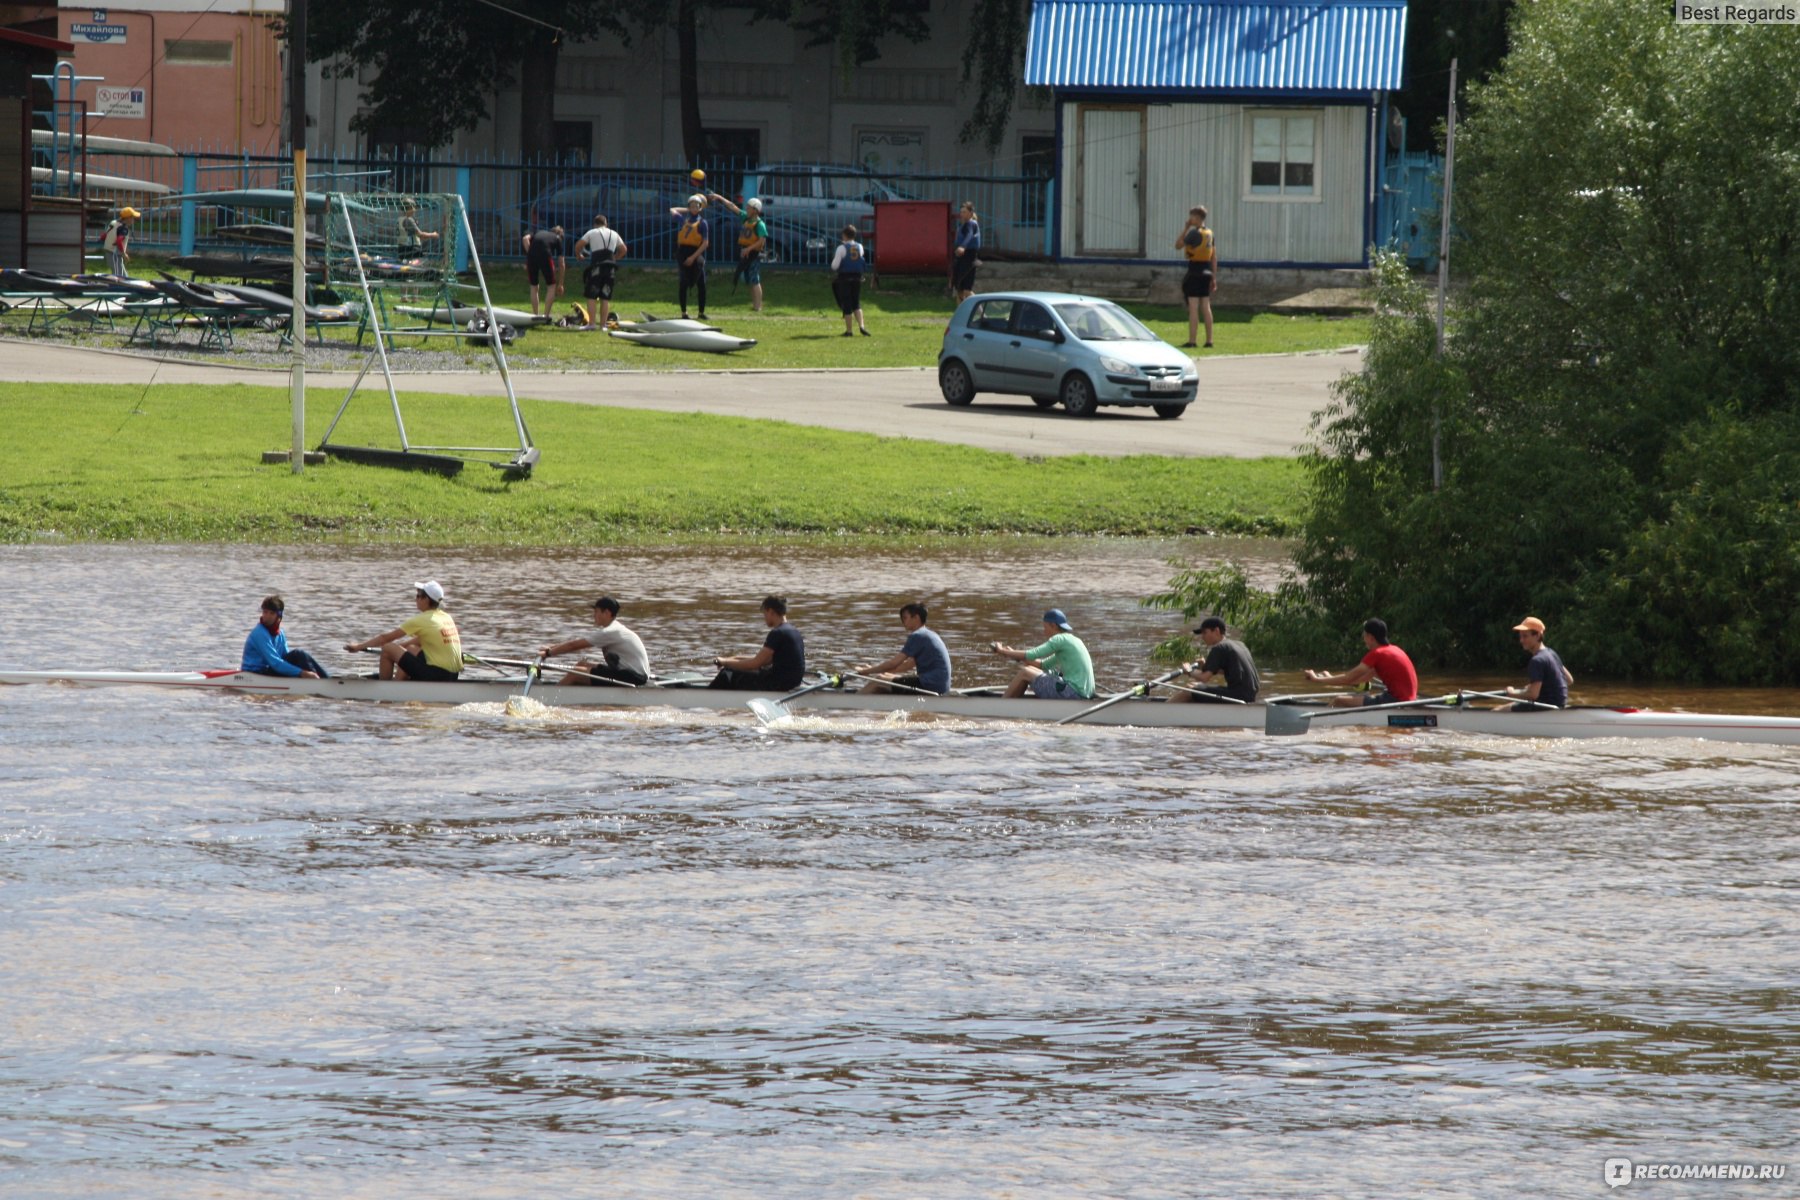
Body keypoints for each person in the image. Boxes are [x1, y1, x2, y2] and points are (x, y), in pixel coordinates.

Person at [343, 580, 464, 682]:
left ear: (426, 599)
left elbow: (385, 638)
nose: (416, 599)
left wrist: (358, 646)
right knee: (411, 649)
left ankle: (385, 689)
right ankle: (399, 684)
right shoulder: (445, 617)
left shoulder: (422, 620)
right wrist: (402, 647)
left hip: (437, 677)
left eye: (418, 595)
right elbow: (421, 639)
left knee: (387, 648)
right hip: (453, 676)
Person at [539, 595, 651, 686]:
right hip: (627, 673)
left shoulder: (611, 631)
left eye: (596, 611)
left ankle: (550, 698)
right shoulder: (612, 629)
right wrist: (552, 648)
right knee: (581, 664)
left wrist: (548, 653)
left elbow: (573, 646)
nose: (594, 615)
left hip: (632, 676)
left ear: (607, 613)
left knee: (576, 673)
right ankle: (572, 695)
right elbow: (578, 645)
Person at [1305, 617, 1418, 707]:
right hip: (1409, 699)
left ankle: (1320, 729)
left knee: (1339, 700)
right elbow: (1356, 681)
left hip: (1396, 700)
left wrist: (1316, 679)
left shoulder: (1377, 654)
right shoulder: (1394, 649)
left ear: (1370, 637)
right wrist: (1329, 677)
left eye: (1364, 635)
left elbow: (1347, 678)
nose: (1363, 639)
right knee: (1361, 696)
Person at [992, 609, 1095, 700]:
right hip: (1084, 693)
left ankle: (1001, 705)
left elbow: (1032, 654)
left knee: (1025, 672)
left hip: (1072, 693)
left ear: (1053, 625)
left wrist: (1001, 651)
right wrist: (1011, 653)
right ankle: (1014, 703)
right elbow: (1043, 665)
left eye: (1045, 627)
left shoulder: (1059, 639)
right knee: (1029, 669)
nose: (1044, 632)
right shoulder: (1073, 640)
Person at [708, 596, 805, 691]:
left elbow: (755, 664)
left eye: (765, 614)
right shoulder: (794, 631)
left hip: (778, 683)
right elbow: (763, 660)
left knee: (727, 673)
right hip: (792, 682)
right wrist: (729, 659)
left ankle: (707, 699)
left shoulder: (777, 633)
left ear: (771, 612)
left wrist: (725, 663)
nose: (764, 618)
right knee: (746, 672)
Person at [855, 602, 951, 694]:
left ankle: (854, 701)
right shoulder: (929, 634)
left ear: (916, 617)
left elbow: (893, 663)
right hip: (941, 685)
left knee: (880, 679)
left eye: (905, 618)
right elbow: (908, 665)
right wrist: (878, 671)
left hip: (930, 685)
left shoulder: (917, 636)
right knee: (886, 677)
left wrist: (865, 671)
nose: (903, 621)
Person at [1167, 615, 1257, 703]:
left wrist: (1189, 671)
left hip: (1238, 695)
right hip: (1249, 694)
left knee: (1190, 690)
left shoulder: (1219, 647)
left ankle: (1161, 711)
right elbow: (1231, 670)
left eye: (1205, 632)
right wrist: (1207, 666)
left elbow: (1204, 678)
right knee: (1195, 686)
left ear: (1216, 630)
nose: (1202, 637)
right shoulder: (1239, 644)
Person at [241, 595, 329, 679]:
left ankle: (324, 679)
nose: (267, 616)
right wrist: (302, 673)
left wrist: (299, 671)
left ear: (279, 617)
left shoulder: (280, 633)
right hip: (255, 673)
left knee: (299, 655)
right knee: (298, 653)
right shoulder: (259, 633)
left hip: (270, 670)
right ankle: (320, 681)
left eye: (271, 613)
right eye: (265, 612)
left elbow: (286, 659)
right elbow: (275, 663)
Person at [709, 193, 767, 312]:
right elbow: (732, 206)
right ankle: (755, 305)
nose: (746, 209)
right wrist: (719, 198)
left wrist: (748, 249)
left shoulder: (760, 224)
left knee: (754, 279)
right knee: (749, 280)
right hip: (745, 252)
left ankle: (758, 306)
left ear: (755, 210)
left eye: (749, 207)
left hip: (753, 254)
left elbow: (762, 241)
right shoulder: (746, 218)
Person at [1504, 616, 1573, 709]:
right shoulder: (1552, 653)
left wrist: (1511, 693)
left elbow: (1533, 695)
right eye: (1520, 636)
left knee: (1498, 710)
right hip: (1559, 705)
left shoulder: (1537, 660)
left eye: (1525, 636)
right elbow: (1568, 680)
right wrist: (1538, 687)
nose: (1521, 640)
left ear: (1537, 636)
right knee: (1508, 707)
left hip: (1546, 707)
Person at [573, 214, 628, 330]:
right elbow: (624, 249)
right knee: (605, 296)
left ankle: (592, 324)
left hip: (597, 266)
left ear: (595, 224)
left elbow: (578, 245)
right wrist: (615, 257)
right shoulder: (614, 234)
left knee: (592, 295)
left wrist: (579, 255)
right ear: (606, 223)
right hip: (611, 267)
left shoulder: (592, 232)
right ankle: (603, 325)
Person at [1176, 205, 1218, 348]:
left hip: (1195, 270)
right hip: (1207, 270)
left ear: (1197, 218)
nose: (1189, 219)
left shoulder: (1194, 233)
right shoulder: (1210, 233)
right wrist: (1214, 277)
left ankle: (1192, 341)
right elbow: (1213, 257)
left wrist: (1186, 228)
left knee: (1193, 307)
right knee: (1206, 306)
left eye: (1192, 217)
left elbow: (1178, 245)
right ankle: (1209, 340)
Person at [667, 193, 711, 319]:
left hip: (695, 252)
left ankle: (701, 312)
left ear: (700, 208)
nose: (694, 208)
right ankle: (684, 313)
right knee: (683, 282)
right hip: (683, 253)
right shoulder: (683, 220)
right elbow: (672, 210)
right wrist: (689, 207)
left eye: (696, 206)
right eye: (691, 206)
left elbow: (705, 243)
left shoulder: (703, 223)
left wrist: (693, 257)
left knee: (701, 282)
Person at [831, 223, 871, 337]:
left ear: (844, 235)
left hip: (845, 278)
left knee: (847, 304)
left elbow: (834, 266)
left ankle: (849, 331)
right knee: (856, 303)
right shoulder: (860, 247)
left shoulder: (841, 248)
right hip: (857, 278)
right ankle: (862, 326)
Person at [522, 224, 566, 317]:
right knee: (551, 286)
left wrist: (530, 254)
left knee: (534, 287)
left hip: (532, 256)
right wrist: (561, 284)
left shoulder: (538, 232)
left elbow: (525, 239)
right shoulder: (557, 238)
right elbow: (562, 264)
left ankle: (535, 315)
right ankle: (546, 316)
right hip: (545, 256)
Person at [952, 200, 980, 301]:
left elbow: (969, 235)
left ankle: (982, 314)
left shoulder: (970, 224)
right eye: (961, 212)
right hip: (961, 257)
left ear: (970, 213)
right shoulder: (964, 225)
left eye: (964, 212)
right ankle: (960, 315)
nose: (961, 214)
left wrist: (963, 246)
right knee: (959, 289)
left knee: (966, 290)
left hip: (968, 257)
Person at [102, 207, 138, 278]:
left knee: (124, 276)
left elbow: (104, 235)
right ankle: (116, 288)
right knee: (118, 277)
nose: (134, 220)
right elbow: (119, 241)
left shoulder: (113, 222)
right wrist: (124, 254)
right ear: (128, 218)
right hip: (114, 254)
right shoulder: (123, 229)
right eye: (133, 218)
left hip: (109, 252)